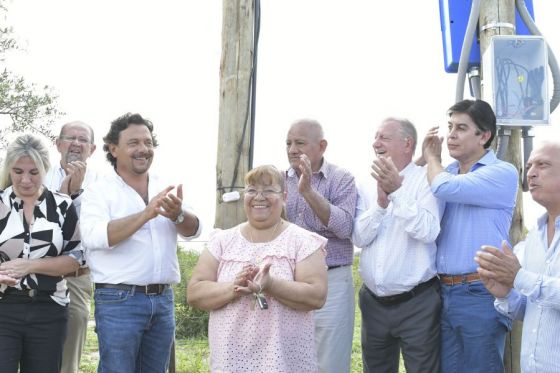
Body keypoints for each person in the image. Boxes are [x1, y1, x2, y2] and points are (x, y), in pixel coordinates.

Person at [80, 113, 201, 373]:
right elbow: (95, 236)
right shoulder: (98, 191)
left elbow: (194, 230)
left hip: (162, 299)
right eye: (133, 143)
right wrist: (146, 213)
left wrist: (178, 214)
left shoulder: (165, 187)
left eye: (148, 142)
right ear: (113, 149)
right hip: (118, 300)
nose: (143, 149)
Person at [187, 165, 328, 372]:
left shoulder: (302, 241)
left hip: (285, 363)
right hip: (230, 361)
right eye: (252, 190)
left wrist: (270, 285)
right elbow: (194, 293)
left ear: (285, 196)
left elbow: (316, 296)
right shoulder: (222, 241)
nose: (259, 197)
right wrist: (234, 286)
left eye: (269, 191)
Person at [422, 99, 518, 373]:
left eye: (462, 128)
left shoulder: (501, 172)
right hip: (445, 290)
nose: (451, 134)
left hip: (481, 290)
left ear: (484, 136)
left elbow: (444, 188)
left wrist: (431, 158)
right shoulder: (446, 172)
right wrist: (427, 162)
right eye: (450, 126)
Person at [353, 118, 443, 373]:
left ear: (407, 144)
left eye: (383, 137)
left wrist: (397, 191)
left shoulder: (428, 180)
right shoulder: (365, 183)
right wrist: (380, 206)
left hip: (418, 304)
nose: (375, 143)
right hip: (373, 304)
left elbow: (428, 231)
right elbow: (358, 238)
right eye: (375, 137)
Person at [0, 134, 83, 373]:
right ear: (9, 170)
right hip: (4, 308)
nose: (25, 180)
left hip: (50, 309)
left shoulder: (62, 205)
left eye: (34, 172)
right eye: (18, 171)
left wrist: (30, 266)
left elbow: (76, 259)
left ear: (45, 169)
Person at [475, 141, 560, 373]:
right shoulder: (534, 238)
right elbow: (533, 309)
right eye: (530, 165)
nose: (531, 173)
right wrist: (505, 295)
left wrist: (519, 276)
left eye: (543, 165)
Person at [284, 118, 357, 373]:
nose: (292, 149)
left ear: (322, 146)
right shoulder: (280, 181)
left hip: (333, 281)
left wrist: (308, 192)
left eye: (300, 143)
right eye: (289, 143)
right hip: (290, 283)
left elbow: (345, 227)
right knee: (291, 361)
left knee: (331, 364)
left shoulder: (341, 179)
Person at [44, 120, 97, 373]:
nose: (76, 143)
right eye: (70, 137)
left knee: (68, 362)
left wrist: (74, 194)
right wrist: (66, 193)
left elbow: (92, 232)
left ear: (93, 148)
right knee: (34, 353)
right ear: (58, 144)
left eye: (83, 139)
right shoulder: (38, 175)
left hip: (76, 278)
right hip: (37, 277)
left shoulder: (104, 184)